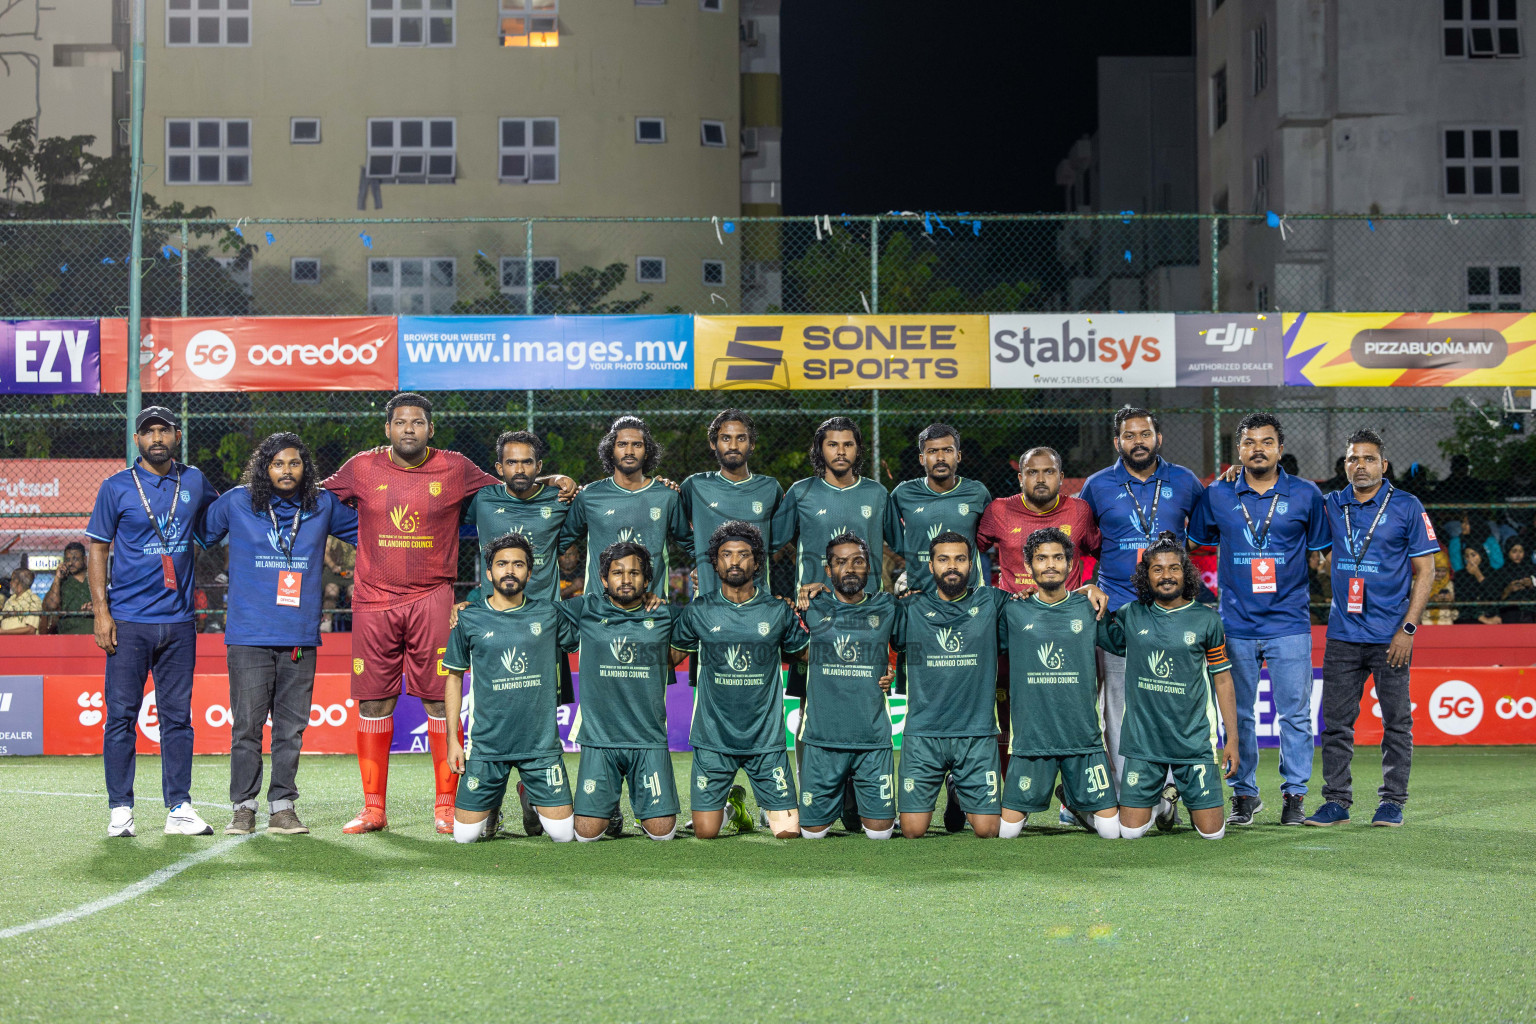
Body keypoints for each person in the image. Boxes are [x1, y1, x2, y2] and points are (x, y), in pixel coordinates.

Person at [321, 393, 506, 835]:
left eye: (418, 422)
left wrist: (552, 479)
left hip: (432, 597)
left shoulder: (456, 467)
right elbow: (318, 497)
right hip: (373, 598)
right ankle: (373, 809)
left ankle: (445, 807)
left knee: (439, 697)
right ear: (387, 429)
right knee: (374, 699)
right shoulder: (361, 468)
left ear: (430, 429)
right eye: (401, 422)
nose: (409, 428)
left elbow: (506, 493)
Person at [200, 433, 359, 836]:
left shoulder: (322, 504)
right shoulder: (237, 501)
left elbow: (370, 530)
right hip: (249, 635)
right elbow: (200, 533)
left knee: (290, 730)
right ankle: (243, 807)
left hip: (299, 636)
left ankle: (283, 807)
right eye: (277, 464)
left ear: (305, 468)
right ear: (263, 468)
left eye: (294, 463)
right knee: (247, 728)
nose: (286, 471)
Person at [85, 405, 218, 838]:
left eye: (164, 430)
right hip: (128, 621)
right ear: (137, 440)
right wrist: (102, 612)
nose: (156, 438)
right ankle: (120, 809)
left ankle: (179, 807)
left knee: (177, 717)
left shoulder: (194, 480)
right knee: (121, 717)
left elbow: (217, 523)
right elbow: (97, 548)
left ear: (177, 436)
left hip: (179, 622)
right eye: (149, 432)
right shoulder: (116, 487)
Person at [1190, 413, 1329, 827]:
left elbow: (1321, 551)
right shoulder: (1217, 494)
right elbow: (1195, 544)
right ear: (1239, 451)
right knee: (1240, 715)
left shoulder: (1305, 494)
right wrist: (1207, 599)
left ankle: (1295, 794)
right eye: (1250, 443)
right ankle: (1245, 794)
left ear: (1280, 449)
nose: (1258, 449)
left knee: (1296, 714)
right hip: (1236, 624)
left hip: (1289, 622)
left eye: (1267, 442)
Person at [1306, 429, 1438, 829]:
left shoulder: (1407, 506)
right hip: (1343, 634)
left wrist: (1408, 629)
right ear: (1344, 464)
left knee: (1397, 722)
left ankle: (1392, 802)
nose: (1359, 465)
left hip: (1391, 637)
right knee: (1335, 725)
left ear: (1384, 465)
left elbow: (1426, 570)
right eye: (1352, 459)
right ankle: (1336, 801)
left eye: (1367, 459)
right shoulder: (1331, 504)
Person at [1078, 406, 1204, 790]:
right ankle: (1122, 790)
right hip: (1116, 613)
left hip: (1169, 614)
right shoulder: (1097, 485)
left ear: (1158, 438)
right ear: (1117, 442)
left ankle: (1166, 788)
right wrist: (1089, 584)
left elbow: (1200, 534)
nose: (1138, 442)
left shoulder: (1184, 481)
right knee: (1116, 706)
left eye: (1144, 434)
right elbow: (1083, 544)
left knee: (1169, 700)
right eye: (1129, 436)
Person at [670, 521, 809, 839]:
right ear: (715, 562)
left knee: (788, 833)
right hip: (713, 741)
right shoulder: (699, 610)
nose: (734, 561)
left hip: (765, 743)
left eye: (743, 555)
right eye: (726, 555)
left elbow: (809, 656)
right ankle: (733, 807)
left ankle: (746, 803)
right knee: (705, 833)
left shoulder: (777, 611)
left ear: (757, 562)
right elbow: (668, 660)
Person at [1098, 534, 1240, 840]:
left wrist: (1233, 740)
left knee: (1212, 834)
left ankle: (1176, 798)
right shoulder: (1131, 614)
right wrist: (1090, 597)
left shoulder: (1207, 619)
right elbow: (1101, 631)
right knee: (1130, 833)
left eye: (1174, 568)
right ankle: (1164, 806)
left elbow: (1223, 679)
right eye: (1158, 569)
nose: (1166, 576)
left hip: (1193, 742)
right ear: (1145, 576)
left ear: (1185, 573)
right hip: (1143, 744)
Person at [444, 534, 580, 843]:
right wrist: (453, 740)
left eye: (518, 564)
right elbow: (453, 678)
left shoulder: (549, 614)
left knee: (563, 835)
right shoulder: (468, 618)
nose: (510, 570)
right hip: (487, 747)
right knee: (464, 837)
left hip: (540, 748)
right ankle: (493, 800)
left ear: (529, 573)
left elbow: (595, 621)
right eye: (501, 564)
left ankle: (527, 791)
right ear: (489, 573)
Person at [556, 541, 683, 842]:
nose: (626, 580)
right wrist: (473, 606)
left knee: (663, 835)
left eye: (635, 573)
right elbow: (532, 613)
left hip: (648, 739)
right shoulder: (585, 609)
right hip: (601, 740)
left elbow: (703, 622)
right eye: (617, 573)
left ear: (647, 580)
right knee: (585, 835)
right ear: (603, 579)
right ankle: (610, 811)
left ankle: (645, 809)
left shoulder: (666, 615)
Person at [998, 528, 1119, 840]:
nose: (1050, 564)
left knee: (1112, 832)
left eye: (1057, 558)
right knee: (1007, 833)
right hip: (1031, 742)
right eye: (1041, 559)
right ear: (1028, 567)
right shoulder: (1012, 610)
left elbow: (1122, 644)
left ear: (1070, 564)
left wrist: (1090, 589)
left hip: (1084, 740)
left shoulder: (1091, 609)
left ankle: (1076, 802)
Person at [892, 532, 1008, 839]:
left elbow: (1040, 607)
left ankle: (958, 790)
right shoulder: (910, 607)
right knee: (913, 831)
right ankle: (954, 784)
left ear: (971, 565)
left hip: (976, 733)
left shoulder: (992, 601)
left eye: (959, 559)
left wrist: (1087, 591)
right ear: (931, 566)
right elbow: (871, 633)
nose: (951, 566)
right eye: (943, 559)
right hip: (925, 733)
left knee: (988, 831)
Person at [794, 533, 898, 840]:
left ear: (868, 568)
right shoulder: (810, 606)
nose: (849, 568)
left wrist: (894, 670)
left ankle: (852, 801)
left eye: (858, 561)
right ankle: (844, 798)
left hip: (872, 737)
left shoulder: (888, 607)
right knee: (812, 834)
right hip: (823, 737)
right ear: (828, 571)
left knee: (880, 834)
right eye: (840, 562)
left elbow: (913, 645)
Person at [558, 416, 687, 601]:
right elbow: (558, 545)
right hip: (599, 608)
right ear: (611, 451)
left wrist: (701, 568)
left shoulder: (667, 496)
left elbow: (691, 544)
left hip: (651, 605)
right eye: (622, 444)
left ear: (647, 451)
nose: (629, 451)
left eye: (637, 445)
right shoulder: (589, 496)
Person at [772, 416, 889, 601]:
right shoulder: (801, 491)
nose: (841, 452)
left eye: (848, 445)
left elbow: (904, 543)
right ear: (820, 450)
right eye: (833, 445)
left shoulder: (877, 493)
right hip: (813, 602)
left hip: (868, 602)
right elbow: (773, 542)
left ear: (858, 450)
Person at [459, 430, 575, 606]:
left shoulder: (559, 499)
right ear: (500, 468)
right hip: (494, 613)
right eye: (511, 462)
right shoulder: (483, 499)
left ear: (538, 466)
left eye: (527, 462)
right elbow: (442, 519)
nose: (519, 470)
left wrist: (556, 480)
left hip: (544, 611)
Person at [679, 409, 783, 594]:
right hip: (708, 597)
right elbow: (678, 528)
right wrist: (704, 559)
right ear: (713, 443)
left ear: (752, 444)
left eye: (741, 438)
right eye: (726, 438)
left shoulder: (770, 488)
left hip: (758, 599)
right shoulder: (694, 486)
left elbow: (781, 537)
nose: (733, 445)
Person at [883, 423, 992, 594]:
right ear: (922, 458)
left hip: (969, 594)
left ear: (958, 456)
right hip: (920, 594)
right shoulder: (904, 493)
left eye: (947, 450)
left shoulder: (977, 492)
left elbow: (985, 537)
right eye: (932, 451)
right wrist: (910, 553)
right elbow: (890, 530)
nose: (940, 457)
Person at [976, 446, 1099, 595]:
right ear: (1021, 478)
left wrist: (1090, 587)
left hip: (1065, 610)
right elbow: (972, 550)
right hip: (1013, 610)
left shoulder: (1079, 510)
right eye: (1032, 472)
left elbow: (1103, 553)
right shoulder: (999, 509)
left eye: (1049, 471)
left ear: (1060, 478)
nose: (1041, 479)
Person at [42, 541, 93, 634]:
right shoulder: (63, 582)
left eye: (75, 559)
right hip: (68, 633)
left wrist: (95, 607)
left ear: (85, 559)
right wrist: (57, 578)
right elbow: (51, 605)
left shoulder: (95, 579)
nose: (70, 563)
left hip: (92, 630)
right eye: (67, 559)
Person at [1493, 539, 1536, 625]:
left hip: (1530, 610)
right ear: (1508, 552)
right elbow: (1495, 598)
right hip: (1509, 611)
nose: (1518, 555)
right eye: (1514, 551)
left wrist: (1532, 584)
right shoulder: (1500, 573)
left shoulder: (1531, 569)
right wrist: (1508, 590)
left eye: (1521, 551)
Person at [1455, 546, 1501, 624]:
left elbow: (1495, 595)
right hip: (1468, 617)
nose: (1470, 559)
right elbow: (1461, 601)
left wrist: (1478, 574)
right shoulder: (1460, 575)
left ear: (1481, 555)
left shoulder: (1492, 573)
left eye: (1473, 555)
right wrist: (1481, 617)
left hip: (1490, 613)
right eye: (1467, 556)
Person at [0, 567, 41, 635]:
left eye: (12, 579)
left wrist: (4, 632)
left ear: (17, 581)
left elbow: (31, 630)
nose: (10, 583)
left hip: (22, 642)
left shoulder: (33, 600)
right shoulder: (10, 599)